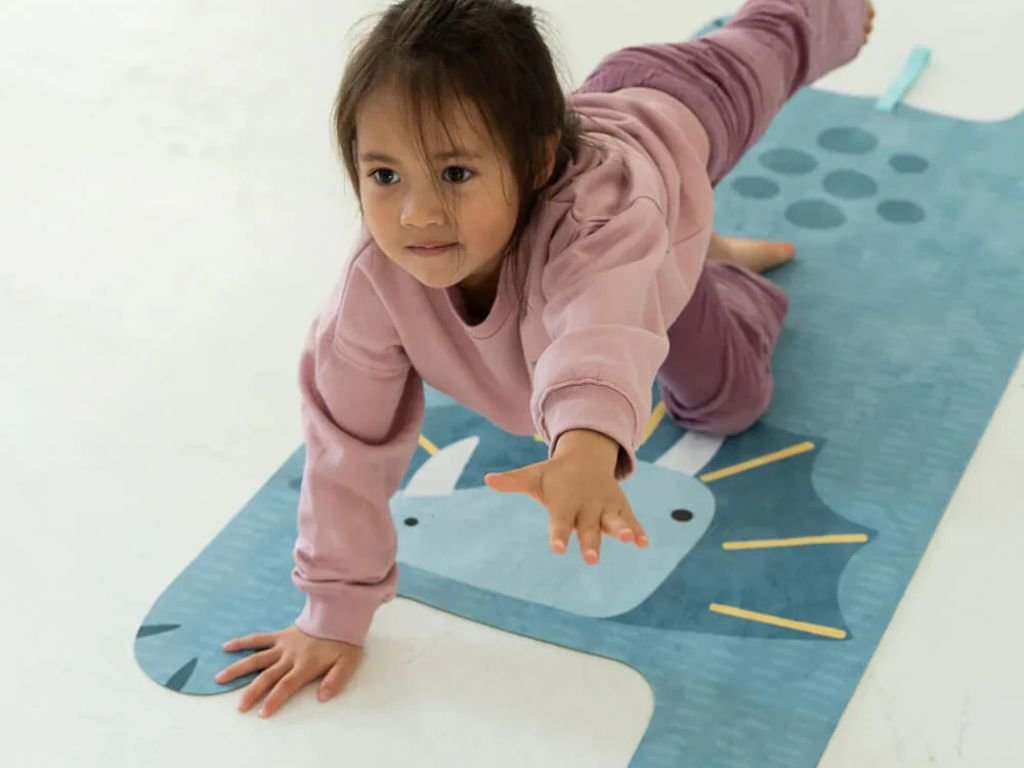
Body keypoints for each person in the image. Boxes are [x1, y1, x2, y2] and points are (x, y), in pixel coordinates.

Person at [215, 0, 875, 717]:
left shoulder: (598, 229)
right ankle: (695, 254)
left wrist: (584, 450)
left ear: (535, 162)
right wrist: (332, 615)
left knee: (776, 46)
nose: (417, 215)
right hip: (640, 259)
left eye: (456, 173)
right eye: (384, 175)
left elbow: (599, 331)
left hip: (671, 109)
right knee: (720, 399)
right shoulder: (374, 287)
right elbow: (346, 447)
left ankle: (704, 251)